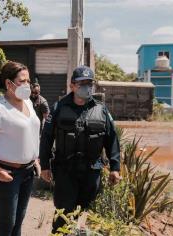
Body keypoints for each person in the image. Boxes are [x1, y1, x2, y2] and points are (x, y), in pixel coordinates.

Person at [39, 66, 121, 233]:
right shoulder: (58, 108)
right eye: (81, 83)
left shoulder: (101, 110)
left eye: (90, 83)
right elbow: (46, 138)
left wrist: (115, 168)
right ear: (72, 86)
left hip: (92, 172)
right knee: (64, 213)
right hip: (65, 171)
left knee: (85, 213)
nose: (87, 87)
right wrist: (45, 166)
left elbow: (112, 139)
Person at [0, 61, 41, 236]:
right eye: (22, 81)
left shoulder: (28, 104)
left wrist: (35, 158)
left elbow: (32, 132)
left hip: (27, 172)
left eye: (28, 81)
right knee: (7, 221)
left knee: (19, 220)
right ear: (8, 83)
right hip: (6, 174)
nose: (27, 85)